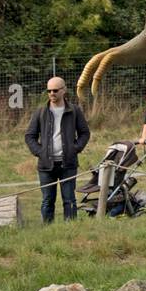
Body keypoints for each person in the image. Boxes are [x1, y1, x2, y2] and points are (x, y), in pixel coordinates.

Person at [24, 76, 91, 224]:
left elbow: (85, 133)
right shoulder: (41, 112)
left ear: (64, 90)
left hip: (68, 164)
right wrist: (40, 152)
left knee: (69, 199)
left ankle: (70, 230)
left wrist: (75, 148)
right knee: (47, 200)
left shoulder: (74, 110)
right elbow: (30, 136)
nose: (52, 93)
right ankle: (48, 231)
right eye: (49, 91)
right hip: (46, 165)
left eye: (55, 90)